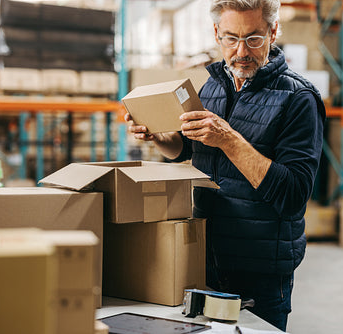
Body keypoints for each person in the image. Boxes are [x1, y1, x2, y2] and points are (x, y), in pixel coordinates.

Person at [125, 0, 325, 331]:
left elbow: (293, 195)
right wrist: (158, 137)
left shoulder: (298, 99)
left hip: (258, 271)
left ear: (273, 32)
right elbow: (184, 148)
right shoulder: (213, 86)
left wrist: (229, 139)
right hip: (203, 259)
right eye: (231, 38)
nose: (241, 51)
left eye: (254, 39)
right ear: (217, 33)